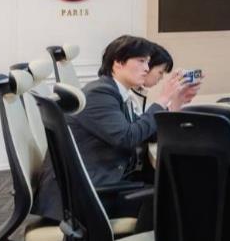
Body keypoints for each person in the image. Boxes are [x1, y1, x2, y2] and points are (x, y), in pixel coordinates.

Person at [36, 36, 198, 219]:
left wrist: (176, 103)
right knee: (176, 198)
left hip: (100, 179)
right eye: (141, 61)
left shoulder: (115, 92)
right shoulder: (100, 94)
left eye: (148, 62)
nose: (147, 68)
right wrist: (162, 100)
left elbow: (143, 133)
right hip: (84, 195)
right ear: (118, 63)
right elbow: (127, 137)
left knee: (174, 186)